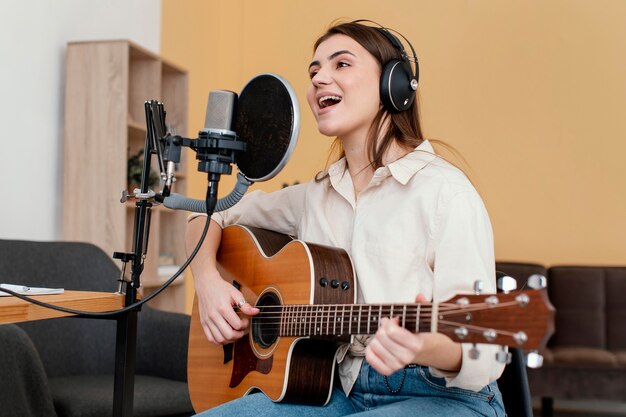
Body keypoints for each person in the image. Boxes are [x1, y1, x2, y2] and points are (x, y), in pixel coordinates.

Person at [185, 19, 506, 417]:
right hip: (335, 390)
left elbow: (482, 349)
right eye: (314, 70)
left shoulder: (446, 193)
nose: (320, 78)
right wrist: (207, 282)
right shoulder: (313, 196)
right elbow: (207, 216)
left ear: (395, 85)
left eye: (341, 64)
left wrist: (421, 346)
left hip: (441, 395)